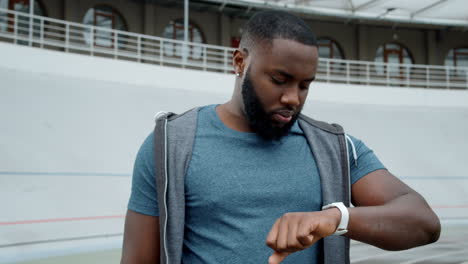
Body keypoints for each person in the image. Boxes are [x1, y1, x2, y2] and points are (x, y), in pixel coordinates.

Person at [120, 10, 440, 264]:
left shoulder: (338, 149)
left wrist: (334, 219)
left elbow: (423, 222)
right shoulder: (169, 146)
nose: (293, 98)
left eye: (304, 85)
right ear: (240, 62)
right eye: (279, 80)